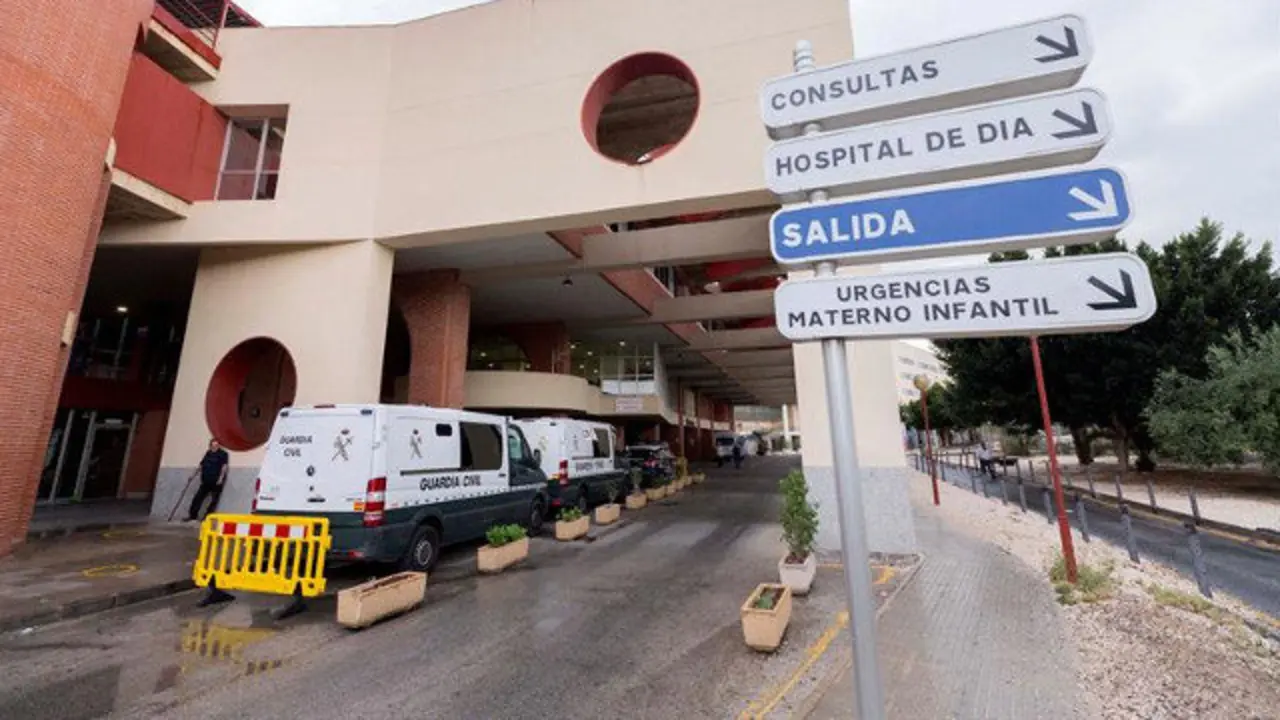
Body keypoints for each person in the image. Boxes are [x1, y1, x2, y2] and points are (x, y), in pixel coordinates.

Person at [186, 439, 230, 522]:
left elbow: (224, 467)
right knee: (198, 498)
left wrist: (220, 479)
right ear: (210, 446)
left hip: (216, 481)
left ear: (219, 446)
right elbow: (201, 465)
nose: (214, 447)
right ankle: (192, 516)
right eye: (212, 446)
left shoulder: (223, 454)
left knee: (213, 501)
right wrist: (192, 475)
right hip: (206, 481)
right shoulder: (208, 453)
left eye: (216, 446)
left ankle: (207, 518)